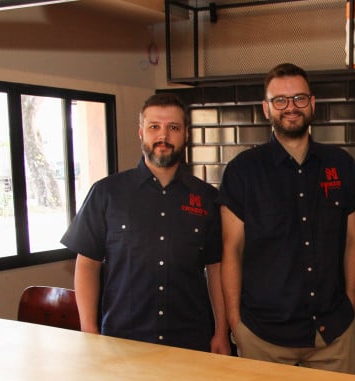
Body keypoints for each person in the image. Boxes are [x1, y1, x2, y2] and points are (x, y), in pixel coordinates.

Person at [219, 63, 355, 374]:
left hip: (334, 333)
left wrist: (352, 303)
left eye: (299, 98)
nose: (291, 107)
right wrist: (234, 320)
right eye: (280, 100)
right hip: (263, 336)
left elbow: (354, 239)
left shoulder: (341, 165)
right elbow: (231, 249)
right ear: (266, 108)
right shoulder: (243, 171)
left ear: (312, 103)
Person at [61, 93, 230, 354]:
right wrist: (89, 331)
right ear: (141, 132)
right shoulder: (106, 193)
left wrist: (221, 332)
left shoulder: (207, 198)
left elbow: (216, 269)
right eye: (154, 127)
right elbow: (87, 264)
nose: (163, 136)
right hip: (122, 341)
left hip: (191, 341)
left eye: (173, 127)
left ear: (186, 134)